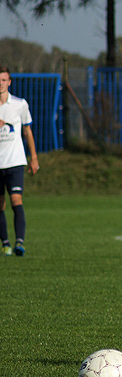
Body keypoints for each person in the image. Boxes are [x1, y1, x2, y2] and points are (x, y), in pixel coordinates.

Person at [0, 66, 40, 257]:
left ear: (9, 82)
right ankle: (5, 243)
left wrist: (34, 157)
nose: (1, 84)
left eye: (4, 80)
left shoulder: (19, 104)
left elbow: (27, 131)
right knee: (0, 204)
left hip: (15, 162)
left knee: (16, 200)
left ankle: (19, 243)